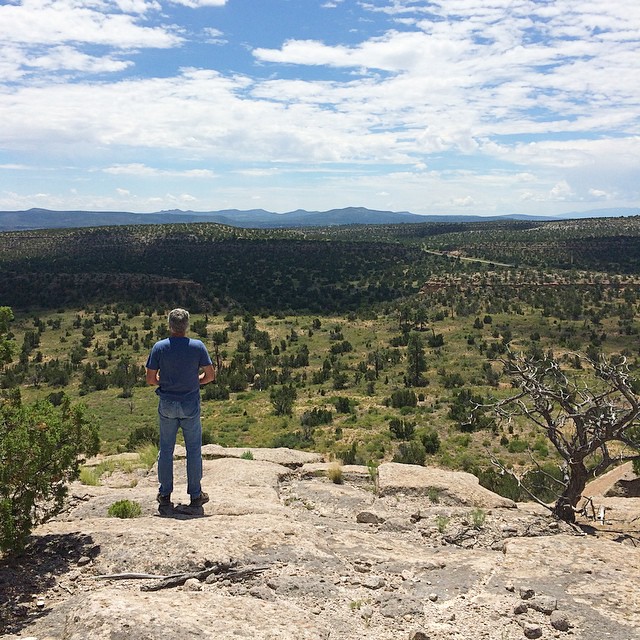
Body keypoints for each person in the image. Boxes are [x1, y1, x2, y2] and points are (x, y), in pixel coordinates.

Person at [145, 308, 215, 512]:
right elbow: (210, 375)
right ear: (186, 326)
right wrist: (194, 382)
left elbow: (150, 379)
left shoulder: (159, 347)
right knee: (193, 450)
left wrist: (166, 382)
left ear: (169, 325)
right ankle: (195, 495)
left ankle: (165, 494)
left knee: (166, 449)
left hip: (167, 402)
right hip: (190, 403)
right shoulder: (197, 346)